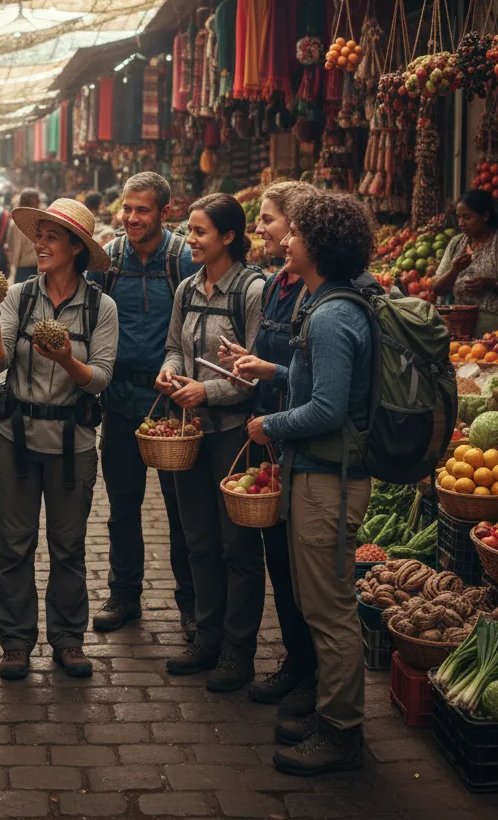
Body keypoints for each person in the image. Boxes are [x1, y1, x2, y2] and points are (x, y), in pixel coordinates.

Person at [234, 189, 375, 776]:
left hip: (328, 481)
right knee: (319, 602)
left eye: (295, 234)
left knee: (329, 608)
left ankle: (342, 733)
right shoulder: (324, 306)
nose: (284, 239)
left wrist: (270, 423)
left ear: (316, 245)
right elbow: (316, 380)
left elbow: (328, 408)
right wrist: (276, 373)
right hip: (314, 475)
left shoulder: (336, 314)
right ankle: (329, 710)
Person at [0, 198, 117, 680]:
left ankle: (68, 639)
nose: (39, 244)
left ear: (76, 248)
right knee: (15, 546)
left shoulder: (102, 306)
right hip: (14, 438)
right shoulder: (19, 295)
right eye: (38, 236)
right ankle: (16, 642)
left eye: (51, 237)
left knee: (68, 546)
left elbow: (99, 378)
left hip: (72, 444)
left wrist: (65, 362)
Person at [156, 193, 265, 692]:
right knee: (197, 539)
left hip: (232, 437)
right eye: (189, 230)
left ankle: (238, 652)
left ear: (227, 237)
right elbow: (176, 344)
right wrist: (171, 372)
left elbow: (258, 370)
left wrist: (211, 390)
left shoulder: (252, 290)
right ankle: (207, 637)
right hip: (189, 431)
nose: (190, 239)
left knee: (236, 545)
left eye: (199, 232)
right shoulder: (187, 288)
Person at [217, 182, 317, 713]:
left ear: (299, 230)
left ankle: (312, 677)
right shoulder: (277, 284)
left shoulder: (321, 294)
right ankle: (296, 663)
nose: (261, 229)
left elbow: (314, 380)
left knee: (306, 574)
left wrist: (268, 370)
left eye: (271, 220)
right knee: (278, 560)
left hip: (300, 438)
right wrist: (246, 359)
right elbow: (275, 356)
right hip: (272, 439)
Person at [87, 172, 198, 638]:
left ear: (165, 212)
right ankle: (123, 595)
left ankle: (191, 605)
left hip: (172, 404)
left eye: (142, 210)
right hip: (120, 400)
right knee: (123, 504)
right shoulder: (108, 259)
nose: (131, 218)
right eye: (126, 209)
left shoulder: (184, 258)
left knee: (181, 510)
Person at [432, 189, 498, 336]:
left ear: (485, 216)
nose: (461, 223)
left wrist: (491, 284)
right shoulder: (456, 243)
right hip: (461, 325)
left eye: (467, 217)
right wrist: (454, 270)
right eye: (458, 217)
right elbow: (437, 289)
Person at [4, 188, 41, 283]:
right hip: (39, 265)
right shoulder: (42, 220)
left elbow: (12, 245)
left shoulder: (14, 222)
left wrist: (13, 265)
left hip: (22, 266)